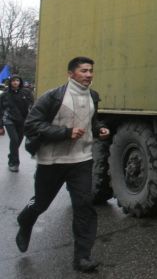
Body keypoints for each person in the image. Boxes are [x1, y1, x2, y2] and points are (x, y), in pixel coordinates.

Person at [16, 57, 110, 272]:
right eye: (83, 71)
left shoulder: (93, 96)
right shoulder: (53, 96)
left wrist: (99, 129)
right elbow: (31, 125)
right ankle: (25, 220)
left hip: (81, 160)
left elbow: (91, 122)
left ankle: (82, 258)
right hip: (52, 160)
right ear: (71, 74)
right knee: (41, 203)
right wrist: (65, 133)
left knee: (84, 206)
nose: (88, 75)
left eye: (91, 71)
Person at [0, 75, 33, 172]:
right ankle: (14, 163)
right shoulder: (4, 95)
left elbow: (32, 106)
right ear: (10, 82)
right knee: (14, 139)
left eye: (17, 80)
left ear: (20, 82)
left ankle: (11, 155)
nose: (15, 82)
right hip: (9, 120)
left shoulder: (26, 93)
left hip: (22, 120)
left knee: (18, 141)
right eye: (13, 81)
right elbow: (0, 110)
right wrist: (1, 125)